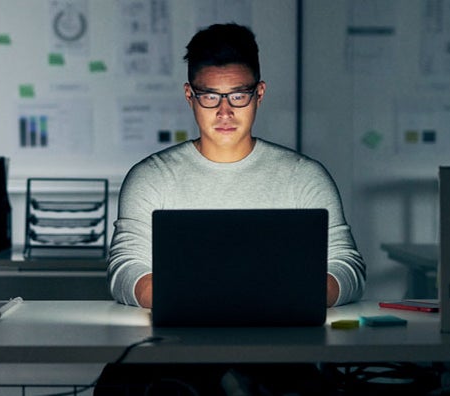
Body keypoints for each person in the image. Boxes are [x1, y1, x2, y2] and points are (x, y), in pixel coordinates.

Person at [97, 23, 365, 396]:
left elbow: (347, 266)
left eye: (238, 96)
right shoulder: (151, 177)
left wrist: (292, 297)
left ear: (259, 94)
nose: (224, 111)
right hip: (172, 353)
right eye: (210, 97)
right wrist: (214, 301)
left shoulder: (304, 177)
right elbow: (125, 270)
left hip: (278, 355)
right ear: (190, 96)